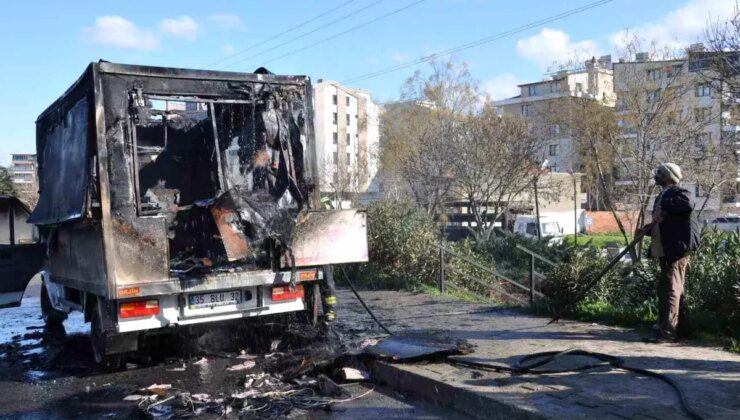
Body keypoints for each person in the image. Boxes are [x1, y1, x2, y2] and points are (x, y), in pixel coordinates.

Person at [643, 163, 700, 341]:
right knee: (671, 288)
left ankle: (667, 332)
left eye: (660, 173)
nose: (656, 175)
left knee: (671, 289)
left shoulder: (678, 193)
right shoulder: (663, 194)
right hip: (665, 250)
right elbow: (665, 222)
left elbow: (688, 204)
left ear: (668, 176)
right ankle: (681, 328)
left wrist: (664, 205)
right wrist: (648, 230)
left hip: (675, 250)